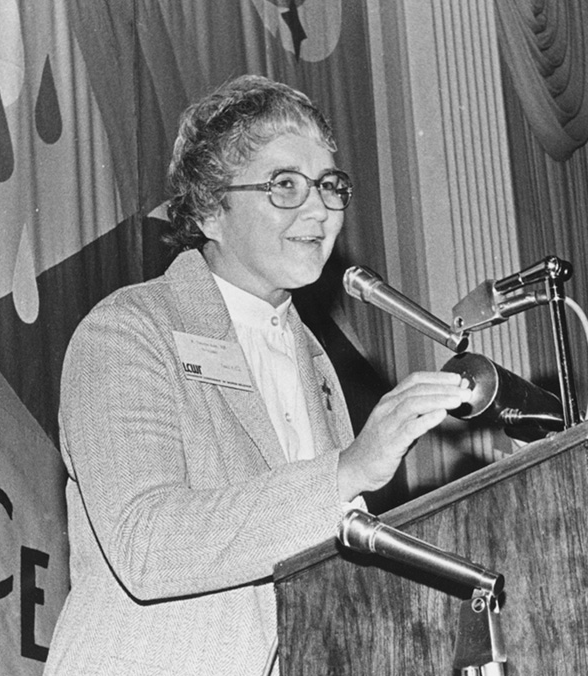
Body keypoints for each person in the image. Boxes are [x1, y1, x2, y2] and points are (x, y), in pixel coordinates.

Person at [43, 74, 470, 675]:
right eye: (285, 185)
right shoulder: (127, 329)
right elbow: (146, 543)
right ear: (211, 209)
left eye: (329, 185)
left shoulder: (317, 366)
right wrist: (345, 472)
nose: (319, 209)